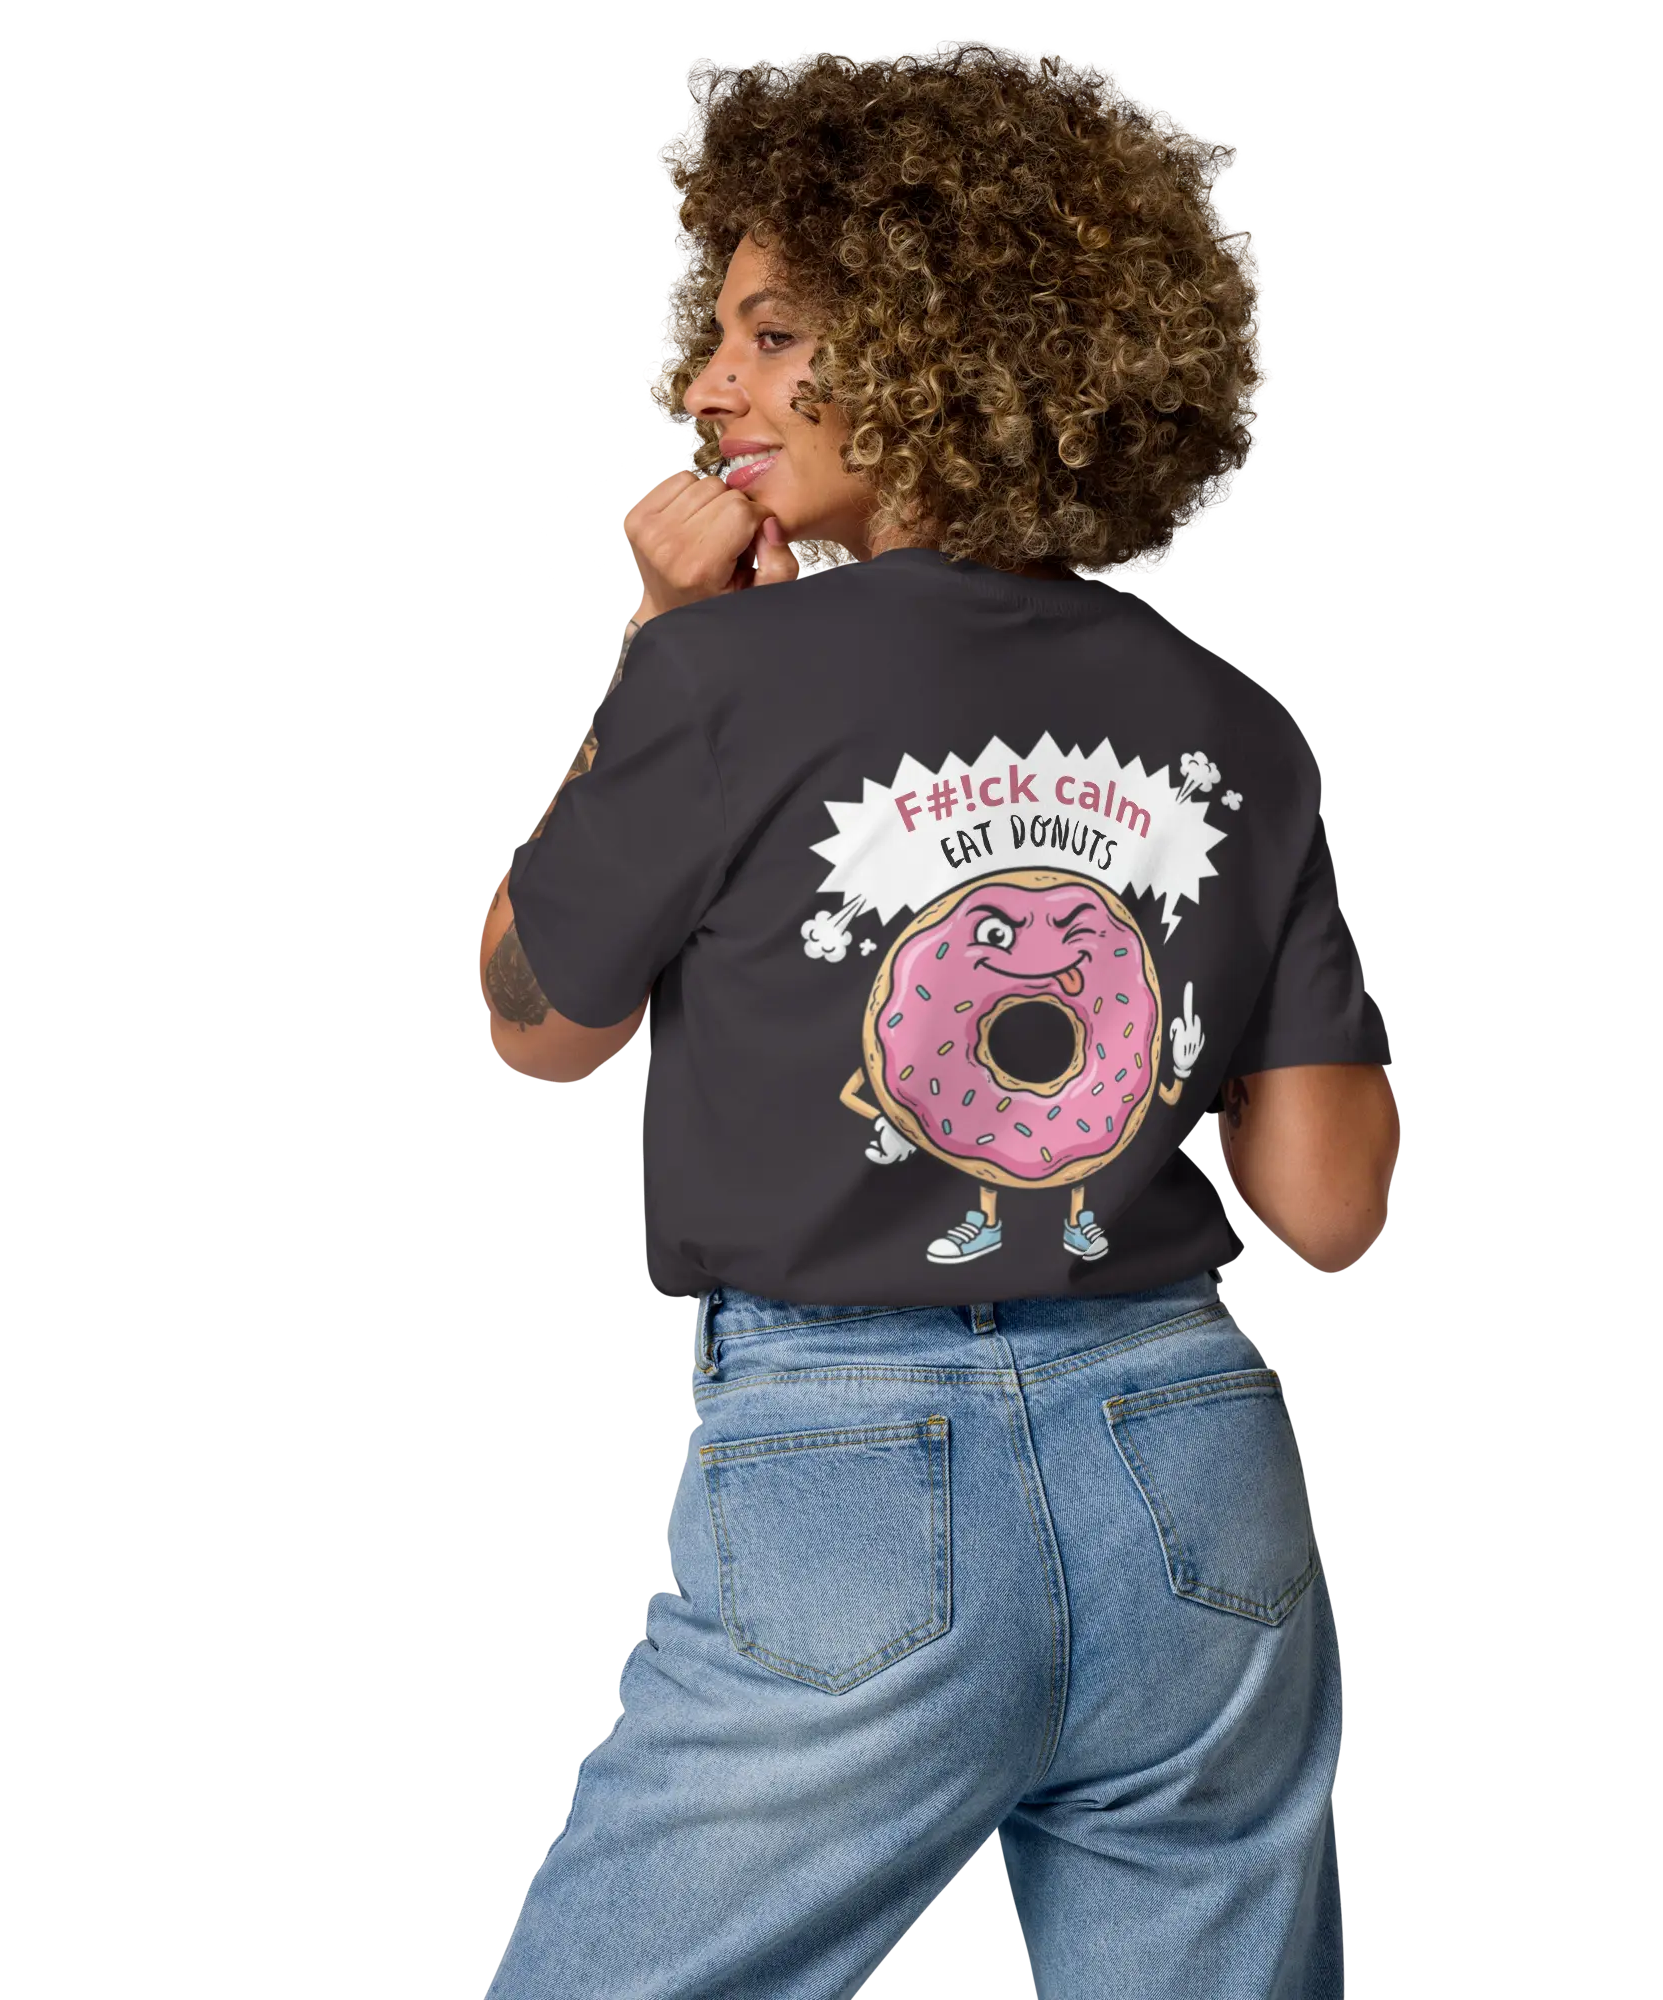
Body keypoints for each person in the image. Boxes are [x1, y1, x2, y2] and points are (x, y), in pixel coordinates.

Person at [480, 36, 1395, 2000]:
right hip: (1197, 1470)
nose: (704, 387)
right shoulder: (1243, 722)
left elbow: (539, 1021)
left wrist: (659, 641)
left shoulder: (721, 670)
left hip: (854, 1470)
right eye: (711, 337)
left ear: (940, 347)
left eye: (773, 337)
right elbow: (1328, 1210)